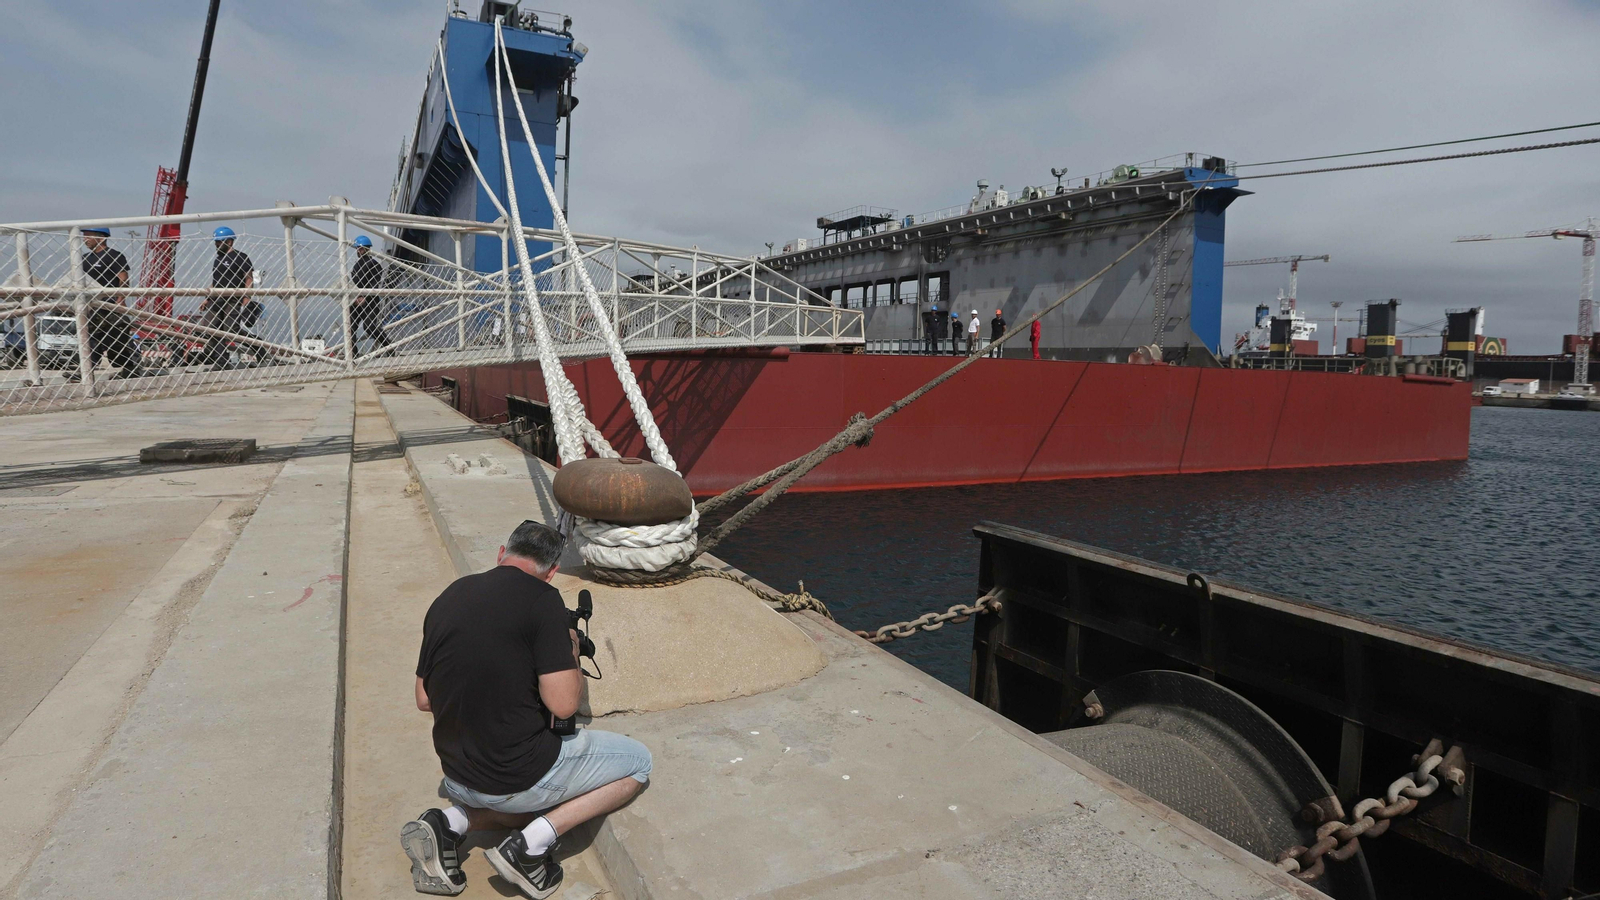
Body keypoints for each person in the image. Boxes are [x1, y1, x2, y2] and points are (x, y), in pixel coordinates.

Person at [403, 520, 651, 898]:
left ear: (502, 553)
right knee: (639, 762)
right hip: (515, 777)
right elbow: (563, 706)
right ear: (551, 572)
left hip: (456, 775)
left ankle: (448, 822)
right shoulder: (544, 600)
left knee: (518, 807)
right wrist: (569, 648)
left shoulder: (450, 594)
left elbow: (423, 698)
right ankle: (530, 848)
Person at [73, 227, 141, 380]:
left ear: (101, 238)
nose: (85, 240)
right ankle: (85, 372)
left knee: (116, 341)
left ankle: (129, 367)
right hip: (91, 305)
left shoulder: (114, 256)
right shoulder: (84, 259)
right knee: (91, 338)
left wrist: (121, 300)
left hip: (110, 304)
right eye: (84, 236)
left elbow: (123, 279)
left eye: (88, 236)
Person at [202, 226, 253, 369]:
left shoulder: (241, 257)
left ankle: (258, 346)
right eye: (216, 242)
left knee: (232, 329)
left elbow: (249, 278)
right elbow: (216, 281)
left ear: (229, 242)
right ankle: (221, 361)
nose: (216, 244)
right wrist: (207, 298)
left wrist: (246, 296)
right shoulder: (218, 259)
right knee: (210, 328)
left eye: (218, 242)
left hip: (233, 298)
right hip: (216, 298)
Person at [350, 235, 392, 356]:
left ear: (365, 249)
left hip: (370, 301)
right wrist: (355, 297)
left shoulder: (374, 264)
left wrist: (364, 297)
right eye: (358, 249)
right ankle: (353, 355)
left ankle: (389, 347)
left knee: (369, 327)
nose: (358, 251)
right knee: (350, 327)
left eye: (360, 248)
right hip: (356, 300)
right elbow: (354, 283)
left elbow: (375, 284)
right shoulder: (357, 265)